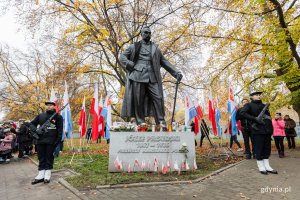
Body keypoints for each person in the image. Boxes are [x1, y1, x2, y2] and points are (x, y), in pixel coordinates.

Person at [119, 26, 183, 128]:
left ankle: (161, 121)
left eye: (149, 32)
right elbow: (122, 57)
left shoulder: (155, 48)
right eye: (145, 32)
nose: (147, 34)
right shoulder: (134, 46)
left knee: (158, 97)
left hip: (152, 76)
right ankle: (140, 121)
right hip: (137, 75)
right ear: (141, 34)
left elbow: (164, 62)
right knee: (138, 99)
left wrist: (176, 73)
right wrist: (130, 64)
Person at [240, 91, 277, 175]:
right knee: (259, 148)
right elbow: (242, 113)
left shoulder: (264, 105)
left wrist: (270, 130)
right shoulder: (248, 105)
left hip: (267, 130)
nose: (259, 96)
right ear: (252, 97)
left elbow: (268, 117)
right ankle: (261, 166)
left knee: (266, 149)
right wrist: (254, 119)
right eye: (256, 95)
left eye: (259, 95)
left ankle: (267, 166)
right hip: (257, 131)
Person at [30, 101, 63, 184]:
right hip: (40, 140)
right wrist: (36, 130)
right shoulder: (41, 115)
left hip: (51, 141)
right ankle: (41, 174)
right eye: (47, 105)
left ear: (54, 106)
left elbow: (60, 130)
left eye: (50, 105)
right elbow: (32, 124)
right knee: (41, 157)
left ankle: (47, 174)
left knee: (49, 157)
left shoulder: (58, 117)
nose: (48, 107)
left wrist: (57, 142)